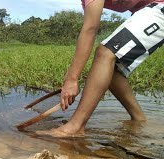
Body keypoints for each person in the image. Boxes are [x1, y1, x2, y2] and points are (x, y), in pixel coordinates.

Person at [37, 0, 164, 137]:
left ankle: (75, 127)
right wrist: (71, 76)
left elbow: (91, 28)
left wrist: (72, 80)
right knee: (110, 68)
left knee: (106, 52)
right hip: (146, 9)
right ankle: (139, 120)